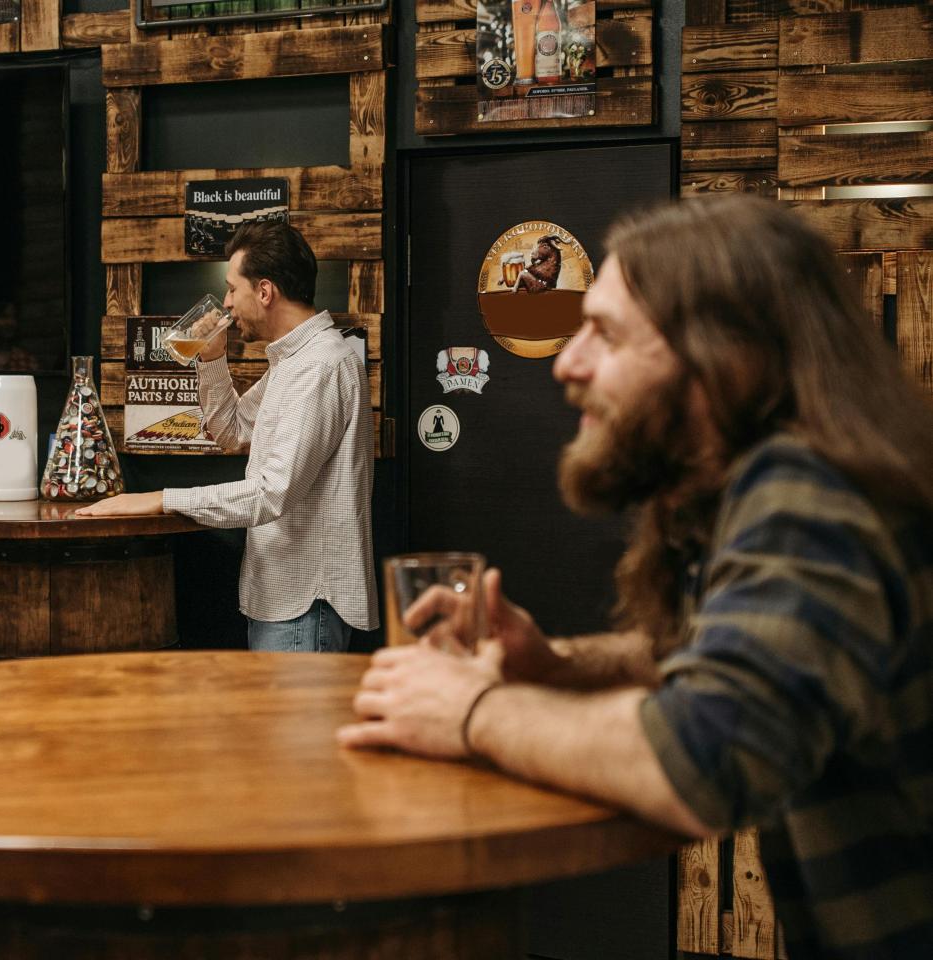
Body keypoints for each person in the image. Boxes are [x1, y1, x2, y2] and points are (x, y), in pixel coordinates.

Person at [339, 195, 933, 958]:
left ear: (725, 360)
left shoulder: (809, 494)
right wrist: (556, 664)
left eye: (606, 334)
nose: (566, 361)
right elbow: (713, 656)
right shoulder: (781, 480)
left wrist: (472, 711)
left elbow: (705, 759)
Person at [77, 221, 377, 652]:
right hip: (285, 599)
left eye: (233, 289)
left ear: (266, 291)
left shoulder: (320, 366)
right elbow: (232, 432)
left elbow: (270, 494)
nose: (228, 304)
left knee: (292, 724)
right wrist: (213, 358)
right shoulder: (294, 361)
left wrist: (161, 499)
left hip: (306, 602)